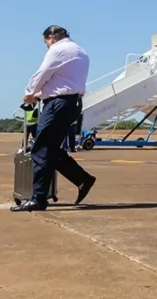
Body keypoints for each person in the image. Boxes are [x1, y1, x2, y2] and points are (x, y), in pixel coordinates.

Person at [11, 25, 96, 212]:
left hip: (58, 105)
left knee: (40, 150)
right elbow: (62, 81)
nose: (47, 46)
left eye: (46, 43)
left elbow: (42, 73)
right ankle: (82, 179)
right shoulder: (81, 52)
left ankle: (38, 199)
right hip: (72, 103)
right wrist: (40, 95)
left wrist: (29, 93)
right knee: (51, 149)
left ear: (52, 37)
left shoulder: (58, 50)